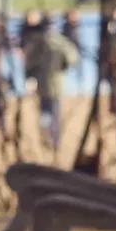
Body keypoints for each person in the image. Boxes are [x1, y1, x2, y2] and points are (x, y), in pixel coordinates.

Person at [23, 13, 79, 150]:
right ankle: (54, 140)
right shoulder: (60, 41)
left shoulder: (39, 41)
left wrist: (30, 79)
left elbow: (31, 63)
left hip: (43, 84)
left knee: (45, 112)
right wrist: (62, 67)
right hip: (57, 83)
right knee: (54, 112)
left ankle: (46, 138)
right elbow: (73, 58)